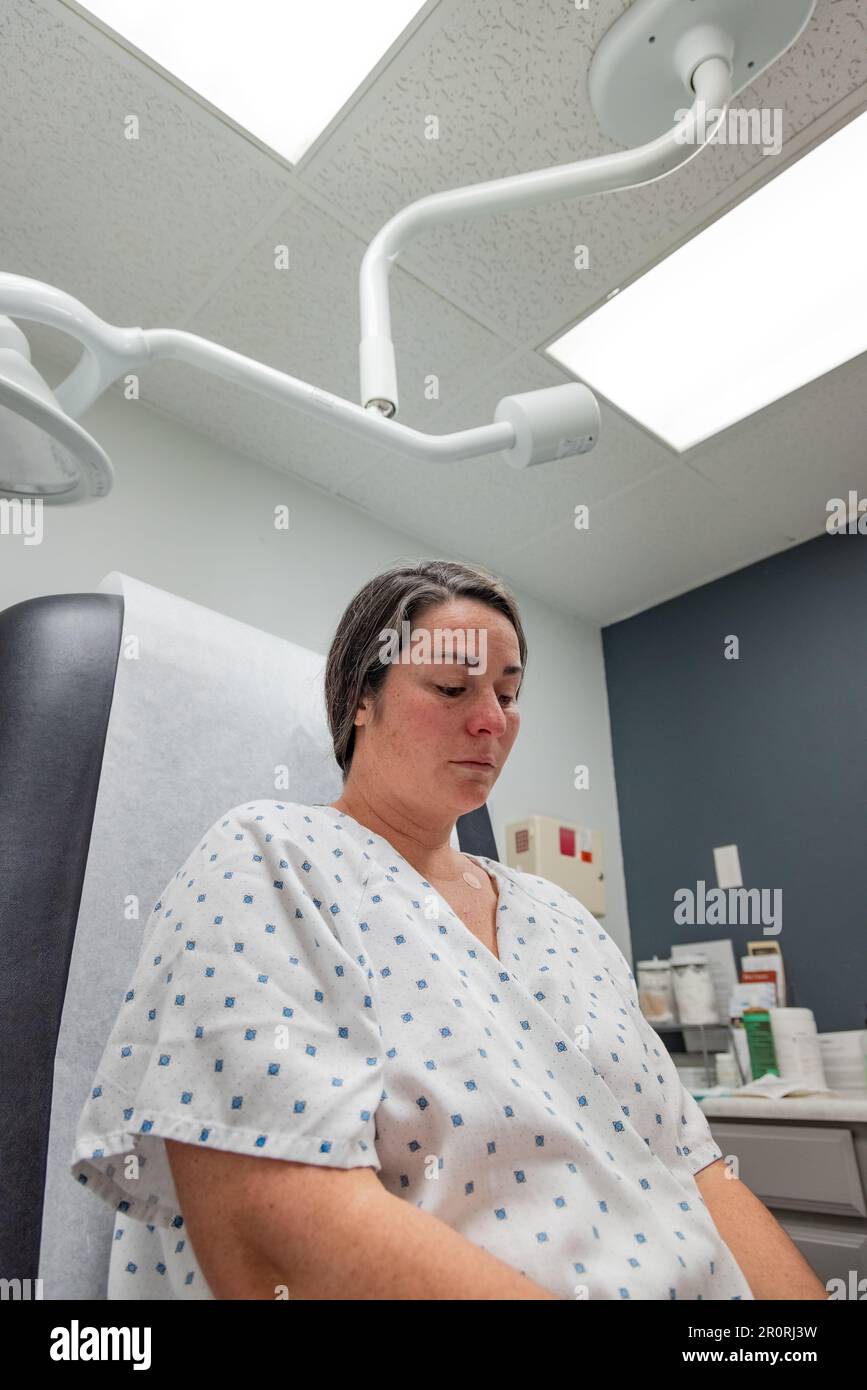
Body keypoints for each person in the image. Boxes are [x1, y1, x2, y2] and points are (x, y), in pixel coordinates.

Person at [71, 559, 826, 1300]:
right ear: (359, 700)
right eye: (451, 687)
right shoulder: (271, 859)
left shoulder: (560, 918)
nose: (492, 721)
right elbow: (273, 1240)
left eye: (508, 692)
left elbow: (691, 1165)